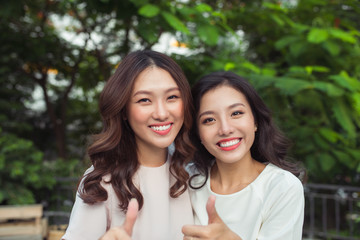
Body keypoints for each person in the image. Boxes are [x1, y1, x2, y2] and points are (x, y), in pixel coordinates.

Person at [62, 50, 195, 240]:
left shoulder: (193, 174)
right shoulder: (102, 182)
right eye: (144, 100)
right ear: (123, 109)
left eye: (172, 97)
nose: (161, 113)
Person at [182, 71, 305, 240]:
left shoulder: (281, 187)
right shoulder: (185, 179)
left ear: (255, 121)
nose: (225, 129)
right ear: (198, 133)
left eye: (236, 113)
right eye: (209, 120)